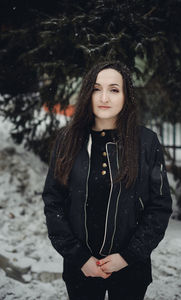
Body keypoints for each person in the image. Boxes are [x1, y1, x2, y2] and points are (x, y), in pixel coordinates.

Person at [42, 61, 172, 300]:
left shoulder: (146, 142)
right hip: (81, 269)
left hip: (131, 270)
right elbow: (53, 202)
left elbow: (159, 206)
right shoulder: (67, 140)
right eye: (96, 88)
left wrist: (128, 256)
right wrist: (79, 257)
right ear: (87, 94)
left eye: (114, 89)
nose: (104, 97)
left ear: (126, 96)